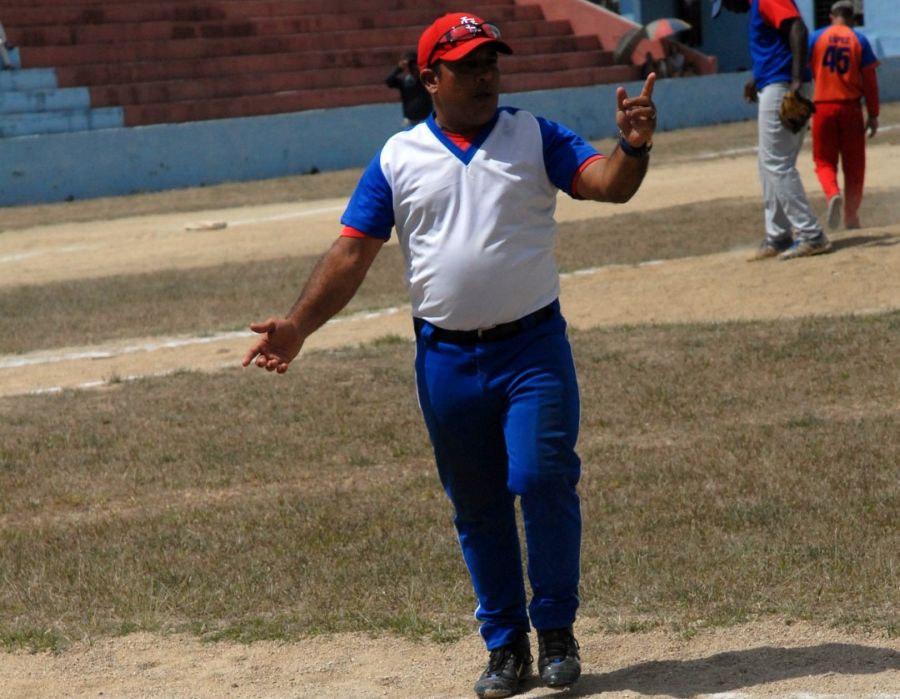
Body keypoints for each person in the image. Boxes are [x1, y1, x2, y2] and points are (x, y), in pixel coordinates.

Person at [243, 11, 657, 698]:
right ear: (431, 77)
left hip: (531, 349)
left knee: (542, 475)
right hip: (446, 362)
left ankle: (555, 629)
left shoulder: (533, 135)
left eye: (491, 59)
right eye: (467, 63)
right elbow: (351, 253)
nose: (485, 72)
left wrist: (634, 147)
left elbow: (605, 183)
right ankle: (504, 646)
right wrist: (298, 325)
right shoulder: (399, 157)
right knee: (478, 505)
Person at [713, 0, 831, 260]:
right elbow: (778, 45)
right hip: (774, 81)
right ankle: (778, 235)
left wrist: (797, 80)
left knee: (777, 162)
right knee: (768, 162)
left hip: (783, 84)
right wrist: (758, 76)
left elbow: (798, 29)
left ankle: (811, 235)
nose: (730, 10)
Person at [808, 0, 880, 230]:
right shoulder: (859, 40)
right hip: (850, 108)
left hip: (822, 107)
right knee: (855, 166)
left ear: (831, 16)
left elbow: (803, 70)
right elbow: (870, 82)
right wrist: (874, 113)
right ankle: (851, 216)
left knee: (823, 160)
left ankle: (832, 194)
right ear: (852, 18)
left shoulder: (815, 38)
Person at [385, 50, 432, 126]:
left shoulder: (426, 80)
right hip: (410, 120)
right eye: (412, 66)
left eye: (416, 65)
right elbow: (388, 81)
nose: (414, 68)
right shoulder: (405, 81)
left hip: (426, 119)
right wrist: (399, 68)